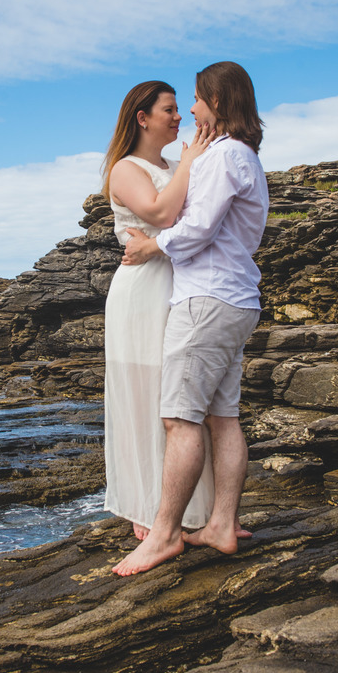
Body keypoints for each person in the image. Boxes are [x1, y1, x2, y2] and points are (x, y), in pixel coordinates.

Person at [112, 61, 269, 576]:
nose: (190, 111)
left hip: (204, 301)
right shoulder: (238, 155)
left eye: (196, 100)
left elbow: (196, 227)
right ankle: (220, 523)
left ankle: (163, 536)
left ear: (217, 103)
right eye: (177, 106)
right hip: (233, 298)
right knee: (221, 416)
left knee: (180, 420)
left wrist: (154, 245)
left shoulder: (223, 157)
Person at [102, 80, 218, 540]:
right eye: (169, 110)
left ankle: (187, 509)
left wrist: (189, 163)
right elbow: (163, 215)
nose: (178, 117)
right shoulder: (124, 170)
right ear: (142, 117)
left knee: (181, 396)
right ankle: (145, 508)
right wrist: (189, 164)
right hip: (142, 293)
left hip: (183, 286)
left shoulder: (177, 163)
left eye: (178, 109)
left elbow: (200, 218)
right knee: (146, 393)